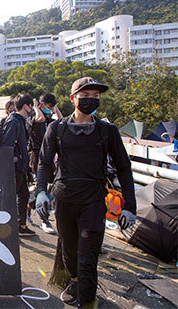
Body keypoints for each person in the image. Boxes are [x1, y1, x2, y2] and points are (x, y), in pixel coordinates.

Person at [36, 77, 137, 308]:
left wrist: (130, 206)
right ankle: (74, 280)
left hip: (93, 199)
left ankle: (88, 298)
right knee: (69, 251)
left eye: (96, 96)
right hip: (64, 198)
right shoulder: (57, 128)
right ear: (73, 99)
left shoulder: (107, 131)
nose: (91, 100)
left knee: (88, 253)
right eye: (85, 96)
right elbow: (44, 163)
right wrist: (41, 191)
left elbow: (123, 167)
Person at [1, 94, 36, 237]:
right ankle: (8, 230)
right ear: (25, 106)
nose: (32, 108)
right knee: (11, 198)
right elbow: (7, 145)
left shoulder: (21, 121)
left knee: (24, 195)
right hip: (15, 167)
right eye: (31, 105)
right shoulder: (14, 121)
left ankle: (21, 225)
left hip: (21, 166)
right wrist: (14, 162)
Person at [26, 95, 58, 234]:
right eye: (48, 106)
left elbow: (62, 121)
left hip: (50, 157)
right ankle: (44, 220)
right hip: (37, 156)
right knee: (42, 185)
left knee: (52, 186)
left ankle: (29, 205)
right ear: (42, 105)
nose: (50, 110)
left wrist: (55, 109)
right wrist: (35, 106)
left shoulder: (49, 120)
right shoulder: (32, 117)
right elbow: (40, 119)